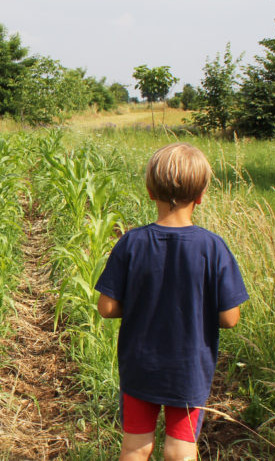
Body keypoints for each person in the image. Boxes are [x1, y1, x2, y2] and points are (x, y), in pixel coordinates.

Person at [94, 143, 249, 461]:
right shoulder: (213, 248)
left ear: (151, 192)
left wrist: (138, 305)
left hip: (140, 366)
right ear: (201, 195)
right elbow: (230, 318)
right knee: (181, 447)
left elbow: (107, 307)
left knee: (135, 446)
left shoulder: (131, 242)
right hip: (189, 369)